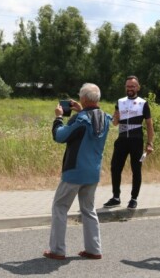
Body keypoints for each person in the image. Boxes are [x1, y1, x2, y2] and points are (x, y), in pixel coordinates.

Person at [43, 83, 112, 260]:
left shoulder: (80, 119)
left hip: (75, 171)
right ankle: (94, 249)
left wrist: (58, 118)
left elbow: (60, 136)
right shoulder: (105, 118)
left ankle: (57, 250)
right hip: (93, 172)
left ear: (83, 98)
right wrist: (81, 110)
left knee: (60, 207)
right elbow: (91, 124)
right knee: (89, 210)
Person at [103, 75, 154, 209]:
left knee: (136, 169)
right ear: (125, 87)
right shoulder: (120, 101)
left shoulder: (143, 103)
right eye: (128, 86)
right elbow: (114, 123)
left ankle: (133, 198)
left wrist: (150, 143)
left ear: (138, 87)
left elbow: (149, 125)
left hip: (136, 140)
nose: (130, 88)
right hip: (122, 140)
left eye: (132, 86)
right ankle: (116, 197)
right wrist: (116, 118)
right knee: (115, 167)